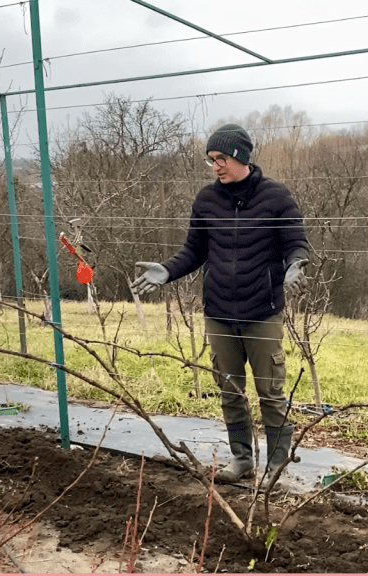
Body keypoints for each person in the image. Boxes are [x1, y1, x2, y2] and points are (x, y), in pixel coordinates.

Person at [130, 123, 311, 486]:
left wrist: (296, 264)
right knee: (230, 389)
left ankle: (276, 465)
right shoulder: (206, 200)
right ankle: (242, 459)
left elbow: (296, 242)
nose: (215, 166)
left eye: (221, 158)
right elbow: (193, 251)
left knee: (270, 391)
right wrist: (167, 270)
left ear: (240, 157)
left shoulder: (276, 197)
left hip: (262, 311)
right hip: (219, 312)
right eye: (211, 159)